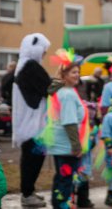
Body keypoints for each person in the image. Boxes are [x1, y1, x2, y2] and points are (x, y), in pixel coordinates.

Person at [41, 48, 88, 208]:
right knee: (65, 180)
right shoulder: (67, 94)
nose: (77, 75)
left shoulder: (64, 91)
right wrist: (76, 146)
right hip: (67, 146)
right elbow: (69, 122)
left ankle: (57, 203)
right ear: (65, 74)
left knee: (61, 177)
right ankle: (61, 205)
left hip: (61, 144)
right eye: (74, 72)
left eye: (78, 72)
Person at [12, 33, 51, 207]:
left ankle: (29, 191)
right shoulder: (30, 66)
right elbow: (49, 88)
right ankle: (27, 194)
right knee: (32, 159)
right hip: (32, 125)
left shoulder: (22, 66)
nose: (44, 54)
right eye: (43, 50)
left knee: (32, 158)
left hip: (29, 123)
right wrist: (63, 79)